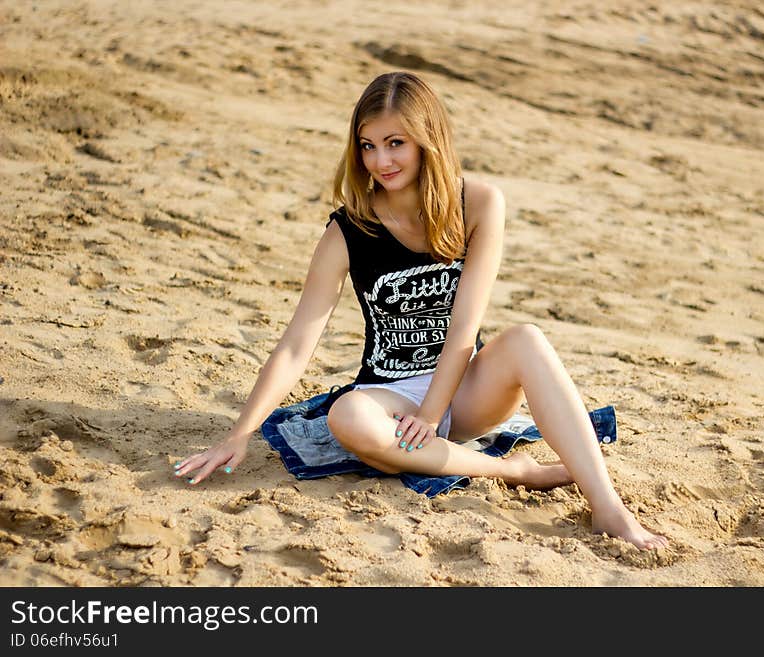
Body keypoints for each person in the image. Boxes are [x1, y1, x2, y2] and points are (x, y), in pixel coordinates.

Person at [173, 71, 668, 550]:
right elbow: (297, 343)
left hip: (467, 387)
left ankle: (608, 506)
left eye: (395, 143)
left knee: (527, 338)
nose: (380, 161)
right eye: (368, 145)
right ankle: (518, 472)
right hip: (390, 396)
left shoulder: (478, 202)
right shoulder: (348, 230)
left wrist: (433, 414)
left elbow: (464, 329)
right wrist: (238, 434)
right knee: (348, 418)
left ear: (426, 138)